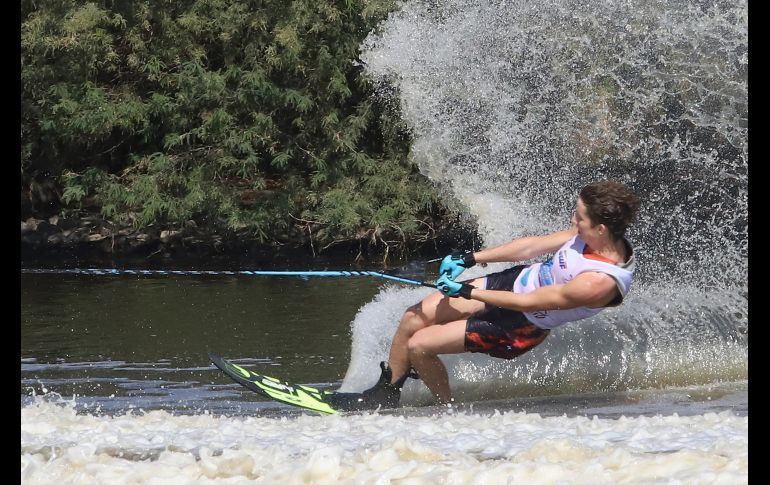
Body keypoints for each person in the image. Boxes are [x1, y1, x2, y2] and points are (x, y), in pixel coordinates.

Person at [327, 180, 640, 410]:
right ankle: (387, 395)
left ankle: (447, 412)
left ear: (601, 229)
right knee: (413, 317)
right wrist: (471, 258)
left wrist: (468, 291)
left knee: (419, 346)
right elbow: (532, 246)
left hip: (521, 322)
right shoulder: (588, 234)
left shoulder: (599, 283)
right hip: (512, 282)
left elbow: (529, 302)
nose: (573, 220)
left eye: (580, 217)